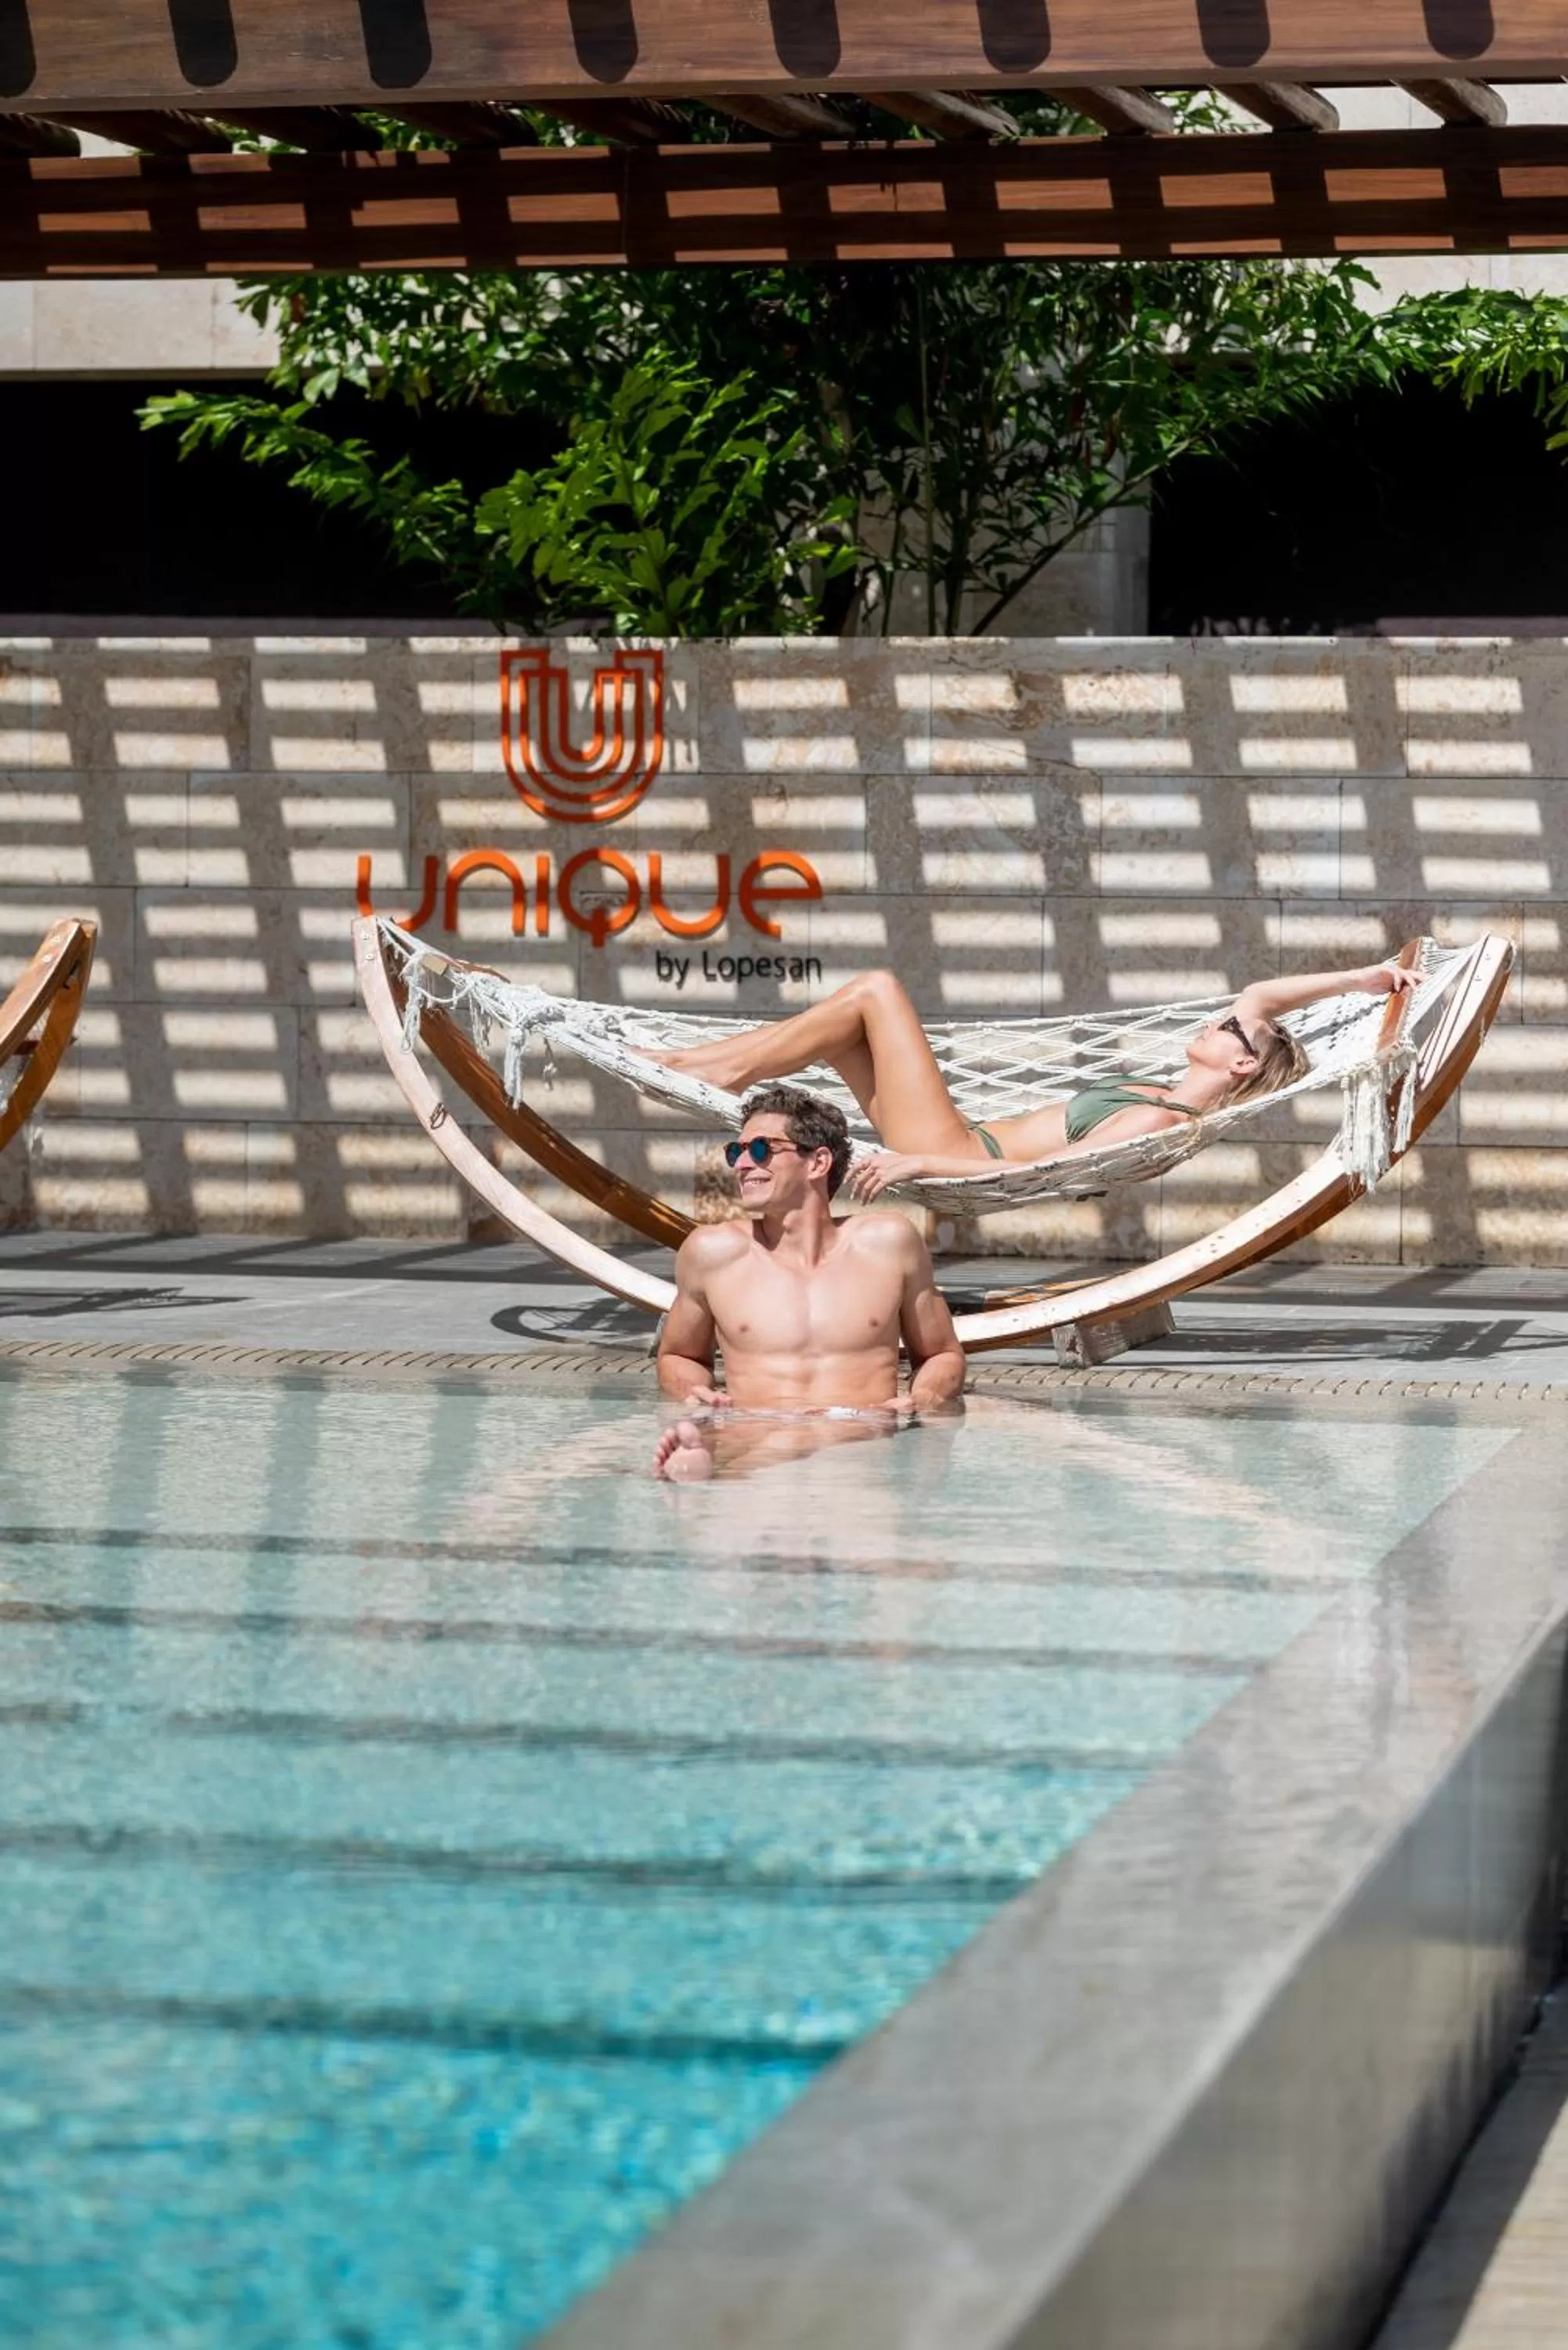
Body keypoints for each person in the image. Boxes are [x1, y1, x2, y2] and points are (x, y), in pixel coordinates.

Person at [652, 956, 1417, 1202]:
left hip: (957, 1151)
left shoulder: (1161, 1121)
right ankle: (707, 1066)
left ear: (1241, 1064)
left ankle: (713, 1068)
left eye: (1225, 1031)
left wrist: (921, 1163)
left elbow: (1047, 1168)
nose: (1217, 1019)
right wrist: (1369, 977)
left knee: (876, 991)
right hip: (957, 1139)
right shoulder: (1169, 1091)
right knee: (849, 1021)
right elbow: (1259, 999)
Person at [653, 1083, 965, 1480]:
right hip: (755, 1441)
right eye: (737, 1151)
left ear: (818, 1163)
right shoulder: (712, 1253)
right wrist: (693, 1391)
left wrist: (924, 1398)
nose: (743, 1164)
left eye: (762, 1149)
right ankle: (700, 1468)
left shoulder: (889, 1244)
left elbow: (942, 1354)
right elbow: (678, 1357)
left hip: (860, 1446)